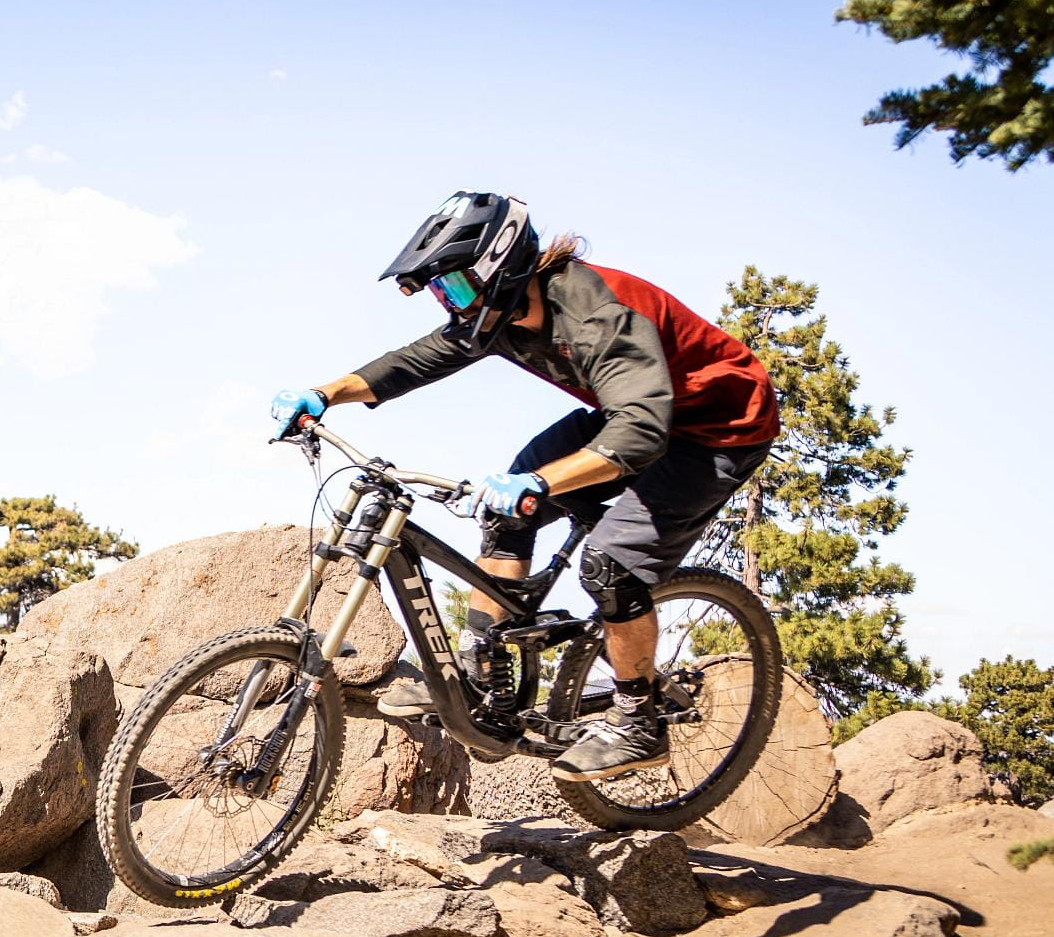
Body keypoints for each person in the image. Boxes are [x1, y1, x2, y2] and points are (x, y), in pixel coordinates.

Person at [271, 192, 779, 780]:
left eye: (455, 288)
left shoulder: (596, 316)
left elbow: (640, 431)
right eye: (439, 293)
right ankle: (486, 673)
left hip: (719, 430)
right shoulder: (497, 312)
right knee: (507, 509)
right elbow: (413, 361)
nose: (450, 305)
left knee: (611, 564)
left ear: (500, 266)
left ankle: (639, 723)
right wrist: (325, 394)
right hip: (632, 412)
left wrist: (542, 480)